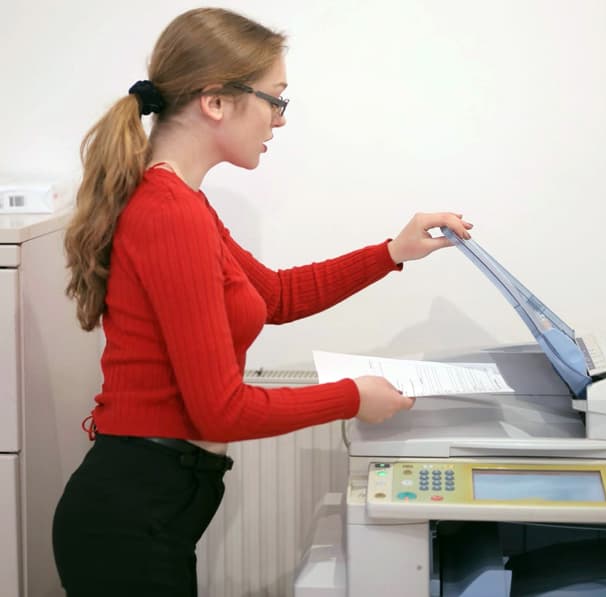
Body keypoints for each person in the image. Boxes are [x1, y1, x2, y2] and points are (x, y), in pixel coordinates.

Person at [51, 7, 472, 597]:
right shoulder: (169, 211)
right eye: (275, 99)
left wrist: (392, 251)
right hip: (131, 518)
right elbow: (219, 410)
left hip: (154, 510)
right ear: (216, 101)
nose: (278, 120)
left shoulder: (184, 203)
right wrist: (354, 397)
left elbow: (275, 295)